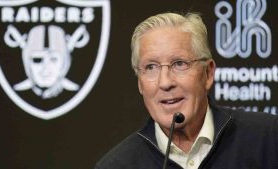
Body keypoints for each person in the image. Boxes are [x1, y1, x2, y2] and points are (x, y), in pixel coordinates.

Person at [94, 12, 278, 169]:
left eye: (179, 64)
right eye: (151, 67)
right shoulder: (117, 165)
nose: (165, 83)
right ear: (140, 84)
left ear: (208, 73)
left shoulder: (269, 139)